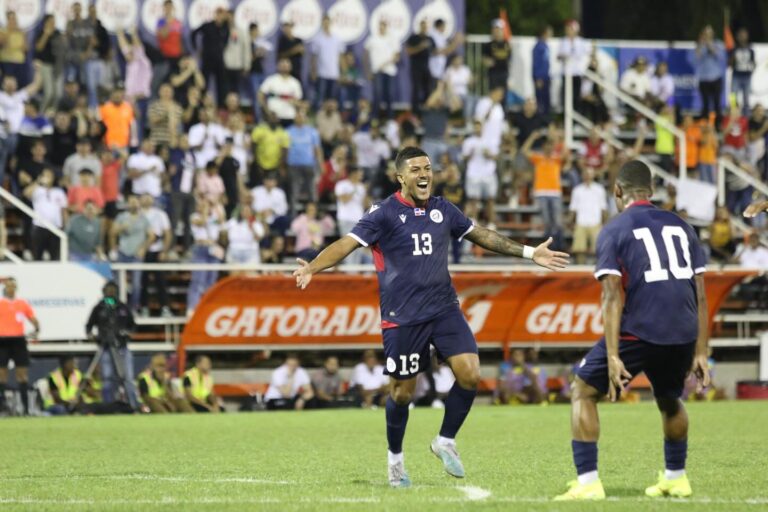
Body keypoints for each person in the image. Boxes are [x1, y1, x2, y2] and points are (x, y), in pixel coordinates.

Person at [293, 146, 569, 487]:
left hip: (443, 309)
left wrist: (529, 252)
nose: (424, 174)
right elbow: (347, 243)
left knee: (470, 373)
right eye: (415, 169)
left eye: (427, 168)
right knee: (402, 394)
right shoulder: (383, 213)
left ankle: (445, 440)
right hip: (403, 316)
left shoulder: (443, 209)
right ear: (400, 177)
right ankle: (395, 460)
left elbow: (481, 234)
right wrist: (315, 267)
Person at [554, 160, 710, 501]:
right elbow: (700, 293)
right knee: (670, 399)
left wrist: (612, 355)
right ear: (652, 193)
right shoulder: (683, 226)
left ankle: (589, 482)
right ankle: (676, 478)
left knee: (583, 390)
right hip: (683, 331)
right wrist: (700, 350)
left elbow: (611, 295)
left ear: (617, 191)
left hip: (639, 330)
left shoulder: (615, 229)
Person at [0, 277, 39, 415]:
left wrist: (36, 328)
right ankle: (2, 407)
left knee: (22, 375)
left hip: (18, 340)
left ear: (15, 288)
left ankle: (26, 409)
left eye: (13, 286)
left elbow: (32, 317)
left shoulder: (22, 304)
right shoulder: (1, 304)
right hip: (3, 341)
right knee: (2, 374)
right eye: (8, 286)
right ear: (5, 288)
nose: (11, 289)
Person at [110, 195, 155, 312]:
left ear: (138, 204)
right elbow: (112, 232)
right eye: (131, 202)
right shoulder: (121, 217)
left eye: (135, 202)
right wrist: (121, 228)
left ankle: (133, 309)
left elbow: (151, 236)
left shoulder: (143, 218)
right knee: (117, 283)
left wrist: (143, 248)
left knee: (136, 284)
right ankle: (117, 308)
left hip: (136, 255)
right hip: (122, 252)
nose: (134, 204)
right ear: (128, 204)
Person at [139, 194, 172, 318]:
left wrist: (164, 251)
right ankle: (144, 308)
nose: (146, 199)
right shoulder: (138, 214)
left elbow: (167, 233)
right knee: (143, 282)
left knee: (161, 281)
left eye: (149, 197)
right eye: (144, 197)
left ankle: (165, 308)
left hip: (157, 249)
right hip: (142, 250)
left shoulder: (160, 214)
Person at [24, 168, 67, 261]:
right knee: (37, 256)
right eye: (45, 175)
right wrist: (38, 182)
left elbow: (64, 210)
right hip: (40, 226)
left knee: (55, 257)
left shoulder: (59, 191)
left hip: (56, 227)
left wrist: (64, 225)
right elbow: (26, 193)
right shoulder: (37, 189)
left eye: (49, 175)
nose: (47, 178)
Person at [462, 120, 499, 226]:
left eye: (479, 127)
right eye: (476, 127)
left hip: (488, 173)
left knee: (490, 199)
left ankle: (491, 223)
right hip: (473, 173)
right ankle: (474, 222)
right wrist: (470, 154)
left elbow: (496, 156)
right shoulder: (468, 141)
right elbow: (464, 157)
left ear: (483, 127)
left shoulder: (490, 140)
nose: (477, 129)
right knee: (474, 199)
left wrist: (488, 154)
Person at [191, 7, 230, 105]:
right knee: (203, 84)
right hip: (207, 59)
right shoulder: (207, 25)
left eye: (222, 15)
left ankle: (221, 107)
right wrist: (196, 48)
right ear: (215, 15)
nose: (220, 17)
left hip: (219, 59)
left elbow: (226, 40)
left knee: (221, 85)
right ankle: (201, 106)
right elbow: (194, 33)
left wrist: (222, 47)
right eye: (219, 14)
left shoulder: (225, 28)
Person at [568, 167, 607, 264]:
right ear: (582, 175)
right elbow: (573, 208)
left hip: (596, 222)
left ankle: (598, 268)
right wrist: (570, 222)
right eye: (586, 173)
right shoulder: (577, 190)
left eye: (590, 174)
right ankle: (580, 269)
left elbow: (603, 208)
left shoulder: (600, 190)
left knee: (598, 249)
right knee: (579, 249)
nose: (587, 176)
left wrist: (605, 224)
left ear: (593, 175)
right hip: (581, 222)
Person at [286, 108, 323, 209]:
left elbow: (317, 149)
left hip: (309, 164)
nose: (300, 118)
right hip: (293, 164)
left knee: (312, 190)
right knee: (294, 190)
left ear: (306, 118)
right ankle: (293, 213)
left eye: (302, 116)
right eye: (298, 116)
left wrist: (320, 165)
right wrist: (284, 165)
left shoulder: (312, 132)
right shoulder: (288, 131)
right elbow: (285, 149)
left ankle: (314, 213)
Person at [364, 20, 399, 119]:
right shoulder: (372, 39)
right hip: (377, 71)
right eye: (381, 26)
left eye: (384, 26)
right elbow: (365, 55)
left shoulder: (393, 39)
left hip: (390, 71)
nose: (382, 28)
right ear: (378, 27)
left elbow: (397, 56)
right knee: (377, 95)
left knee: (390, 96)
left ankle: (390, 119)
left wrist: (386, 63)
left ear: (386, 27)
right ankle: (374, 119)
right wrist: (368, 71)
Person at [310, 14, 345, 109]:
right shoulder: (317, 38)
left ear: (330, 23)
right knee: (320, 99)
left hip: (334, 74)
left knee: (332, 100)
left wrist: (342, 72)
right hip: (322, 74)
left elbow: (340, 57)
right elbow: (314, 57)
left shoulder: (337, 39)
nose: (326, 24)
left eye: (327, 22)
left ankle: (331, 121)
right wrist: (313, 71)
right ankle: (318, 119)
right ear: (322, 23)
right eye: (324, 22)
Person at [694, 25, 727, 125]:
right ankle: (704, 126)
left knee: (717, 104)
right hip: (703, 79)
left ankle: (718, 126)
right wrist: (701, 44)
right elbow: (696, 57)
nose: (707, 35)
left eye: (709, 33)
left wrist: (709, 44)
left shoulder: (718, 44)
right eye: (706, 33)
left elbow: (720, 56)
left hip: (716, 78)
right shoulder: (700, 45)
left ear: (712, 34)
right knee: (705, 105)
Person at [258, 59, 303, 129]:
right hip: (273, 116)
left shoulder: (295, 82)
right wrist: (266, 110)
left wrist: (297, 104)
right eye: (282, 64)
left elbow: (298, 100)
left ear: (291, 67)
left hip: (289, 116)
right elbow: (260, 95)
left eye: (287, 65)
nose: (284, 66)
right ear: (278, 66)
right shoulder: (271, 80)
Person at [558, 20, 588, 113]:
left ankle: (576, 120)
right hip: (566, 73)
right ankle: (567, 118)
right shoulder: (563, 41)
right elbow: (558, 55)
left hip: (577, 73)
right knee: (566, 97)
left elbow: (585, 56)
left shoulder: (581, 42)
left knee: (576, 97)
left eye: (570, 29)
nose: (568, 31)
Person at [405, 19, 435, 113]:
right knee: (416, 89)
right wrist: (420, 47)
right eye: (423, 26)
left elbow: (436, 52)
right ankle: (415, 112)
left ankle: (427, 110)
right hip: (415, 67)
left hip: (426, 67)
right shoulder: (414, 38)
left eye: (425, 26)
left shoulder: (430, 39)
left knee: (428, 89)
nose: (424, 28)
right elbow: (409, 51)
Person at [223, 9, 251, 98]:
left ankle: (235, 108)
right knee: (225, 89)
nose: (229, 18)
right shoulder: (221, 30)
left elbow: (246, 48)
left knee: (236, 89)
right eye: (227, 17)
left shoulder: (241, 31)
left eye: (231, 16)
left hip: (237, 65)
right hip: (224, 65)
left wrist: (246, 65)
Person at [248, 23, 272, 122]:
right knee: (256, 97)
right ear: (251, 31)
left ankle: (267, 117)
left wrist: (261, 52)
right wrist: (256, 54)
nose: (257, 32)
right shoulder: (248, 43)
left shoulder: (260, 42)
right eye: (255, 30)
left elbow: (266, 53)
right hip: (253, 72)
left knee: (265, 97)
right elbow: (247, 58)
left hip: (261, 71)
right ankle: (259, 120)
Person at [482, 19, 511, 94]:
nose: (497, 32)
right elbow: (486, 61)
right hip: (493, 75)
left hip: (504, 74)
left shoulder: (507, 44)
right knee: (493, 95)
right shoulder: (488, 45)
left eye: (499, 29)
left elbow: (508, 60)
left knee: (503, 96)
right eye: (495, 29)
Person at [730, 28, 755, 116]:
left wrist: (751, 70)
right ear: (737, 37)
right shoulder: (734, 49)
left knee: (746, 98)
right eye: (740, 35)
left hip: (746, 76)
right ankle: (733, 113)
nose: (742, 37)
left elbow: (753, 63)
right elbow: (730, 64)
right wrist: (733, 59)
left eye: (744, 35)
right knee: (733, 95)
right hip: (736, 75)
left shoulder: (750, 49)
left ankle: (746, 117)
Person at [532, 26, 552, 116]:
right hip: (540, 77)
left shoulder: (545, 45)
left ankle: (546, 119)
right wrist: (538, 78)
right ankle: (541, 120)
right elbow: (536, 63)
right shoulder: (538, 47)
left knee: (546, 100)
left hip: (545, 76)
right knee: (541, 101)